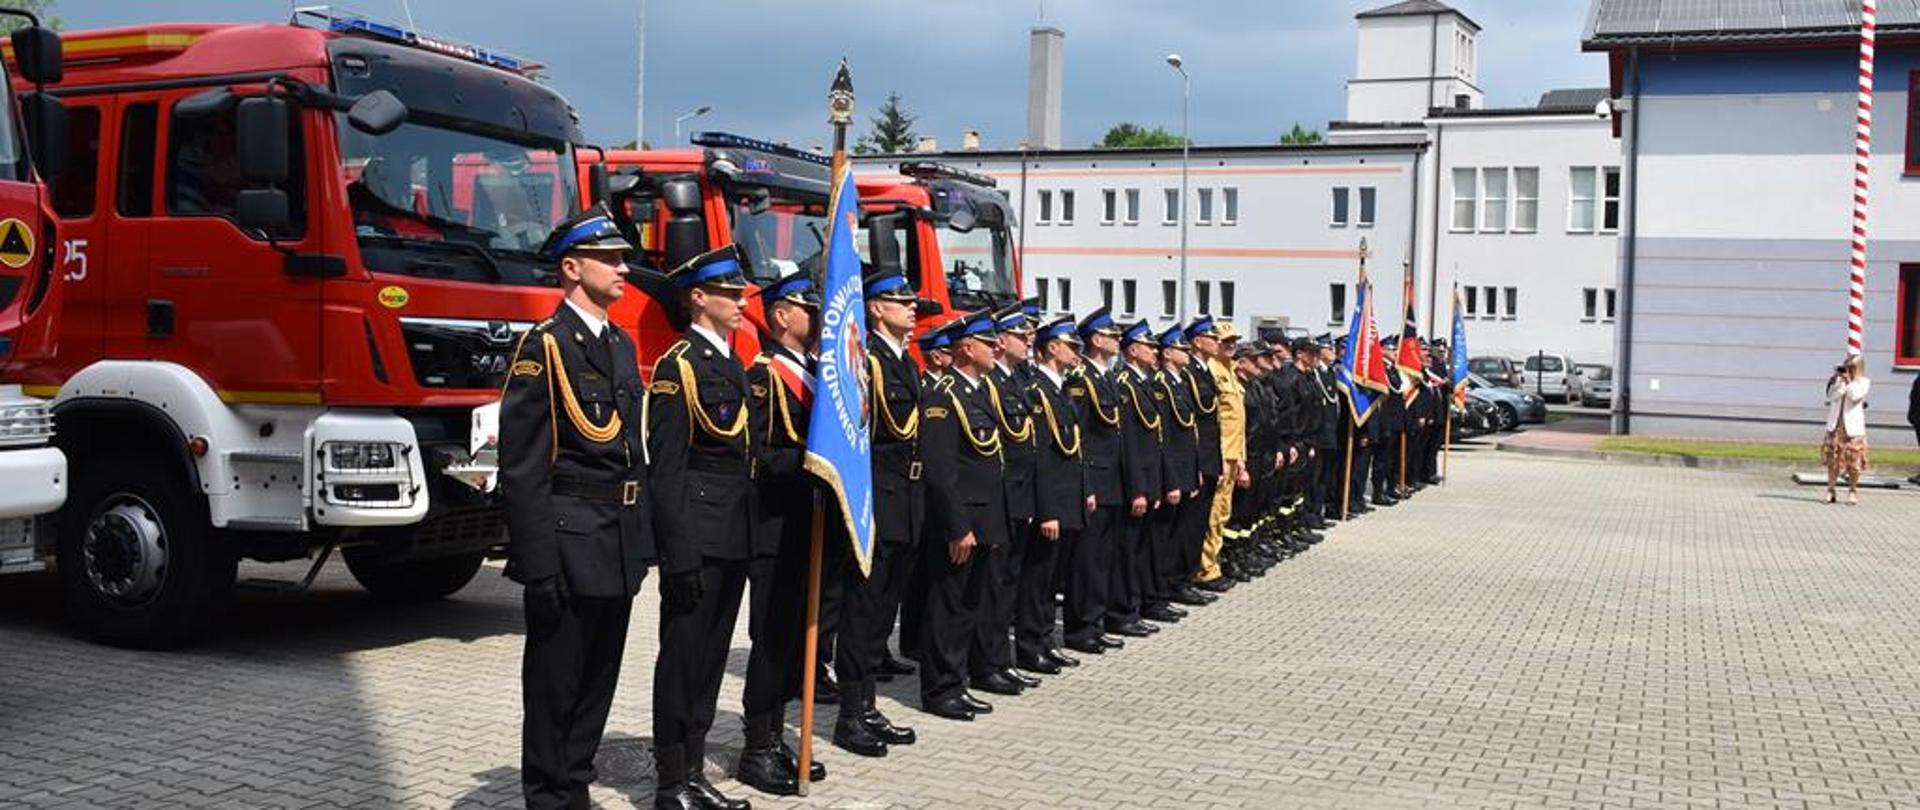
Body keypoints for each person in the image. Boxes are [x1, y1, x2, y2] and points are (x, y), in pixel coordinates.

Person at [501, 208, 652, 810]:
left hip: (614, 542)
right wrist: (538, 565)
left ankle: (576, 785)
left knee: (597, 681)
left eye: (623, 258)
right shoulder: (546, 346)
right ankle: (547, 795)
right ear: (572, 267)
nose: (623, 268)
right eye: (610, 258)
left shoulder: (618, 342)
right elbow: (522, 466)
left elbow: (629, 451)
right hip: (566, 541)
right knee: (554, 683)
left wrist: (640, 545)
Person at [648, 244, 756, 810]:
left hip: (732, 533)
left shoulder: (729, 362)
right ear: (699, 298)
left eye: (739, 293)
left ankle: (693, 772)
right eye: (730, 294)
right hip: (697, 536)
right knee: (684, 656)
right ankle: (671, 783)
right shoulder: (679, 366)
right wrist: (678, 553)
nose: (741, 302)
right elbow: (665, 471)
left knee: (712, 657)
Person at [735, 268, 828, 797]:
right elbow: (761, 456)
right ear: (781, 316)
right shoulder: (764, 375)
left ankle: (776, 734)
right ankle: (757, 746)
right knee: (770, 641)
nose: (816, 318)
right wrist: (808, 463)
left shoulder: (814, 371)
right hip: (773, 525)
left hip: (806, 524)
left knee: (794, 641)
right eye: (807, 308)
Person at [830, 268, 925, 756]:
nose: (912, 308)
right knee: (862, 613)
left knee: (882, 613)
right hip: (876, 502)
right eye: (900, 301)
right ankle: (850, 714)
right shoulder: (865, 362)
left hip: (904, 503)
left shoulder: (905, 362)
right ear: (874, 308)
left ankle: (867, 704)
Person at [918, 312, 1008, 722]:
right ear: (967, 348)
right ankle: (940, 689)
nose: (998, 349)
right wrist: (958, 527)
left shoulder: (980, 391)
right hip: (961, 523)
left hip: (984, 517)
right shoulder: (944, 395)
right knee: (947, 607)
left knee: (969, 606)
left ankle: (958, 681)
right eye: (990, 344)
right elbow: (940, 471)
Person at [1018, 315, 1092, 674]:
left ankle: (1045, 641)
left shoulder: (1059, 390)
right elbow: (1041, 457)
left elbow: (1075, 450)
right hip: (1052, 502)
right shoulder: (1039, 393)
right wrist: (1047, 509)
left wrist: (1084, 492)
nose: (1077, 352)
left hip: (1067, 498)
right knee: (1038, 579)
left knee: (1052, 579)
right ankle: (1031, 646)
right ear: (1051, 348)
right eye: (1071, 346)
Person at [978, 303, 1041, 695]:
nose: (1028, 340)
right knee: (992, 587)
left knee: (1006, 586)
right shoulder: (992, 384)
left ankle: (999, 660)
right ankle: (986, 664)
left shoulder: (1016, 381)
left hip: (1019, 499)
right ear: (1000, 342)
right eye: (1021, 335)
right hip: (1000, 499)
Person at [1061, 308, 1128, 655]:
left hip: (1111, 481)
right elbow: (1080, 440)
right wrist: (1084, 486)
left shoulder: (1105, 378)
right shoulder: (1080, 380)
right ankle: (1080, 627)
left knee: (1103, 558)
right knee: (1085, 561)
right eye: (1113, 336)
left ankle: (1096, 621)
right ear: (1097, 340)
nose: (1118, 341)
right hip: (1093, 484)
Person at [1108, 321, 1165, 638]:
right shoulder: (1126, 384)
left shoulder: (1142, 383)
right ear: (1132, 350)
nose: (1154, 350)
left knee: (1139, 549)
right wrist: (1138, 489)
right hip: (1134, 482)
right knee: (1127, 551)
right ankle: (1121, 612)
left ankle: (1132, 607)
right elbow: (1129, 443)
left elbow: (1152, 440)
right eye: (1148, 345)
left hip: (1147, 478)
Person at [1194, 322, 1244, 593]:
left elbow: (1237, 419)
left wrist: (1241, 456)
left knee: (1223, 514)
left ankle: (1214, 563)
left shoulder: (1230, 370)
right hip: (1222, 454)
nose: (1231, 345)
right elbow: (1215, 421)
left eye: (1234, 340)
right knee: (1213, 515)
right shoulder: (1212, 371)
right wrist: (1222, 457)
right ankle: (1206, 570)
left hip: (1234, 454)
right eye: (1225, 341)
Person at [1822, 354, 1872, 506]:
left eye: (1850, 368)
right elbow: (1831, 396)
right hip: (1835, 426)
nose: (1846, 371)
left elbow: (1856, 396)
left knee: (1854, 462)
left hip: (1853, 428)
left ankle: (1852, 490)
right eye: (1845, 368)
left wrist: (1849, 382)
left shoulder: (1864, 382)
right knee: (1833, 461)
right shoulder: (1839, 381)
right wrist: (1836, 380)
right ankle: (1831, 490)